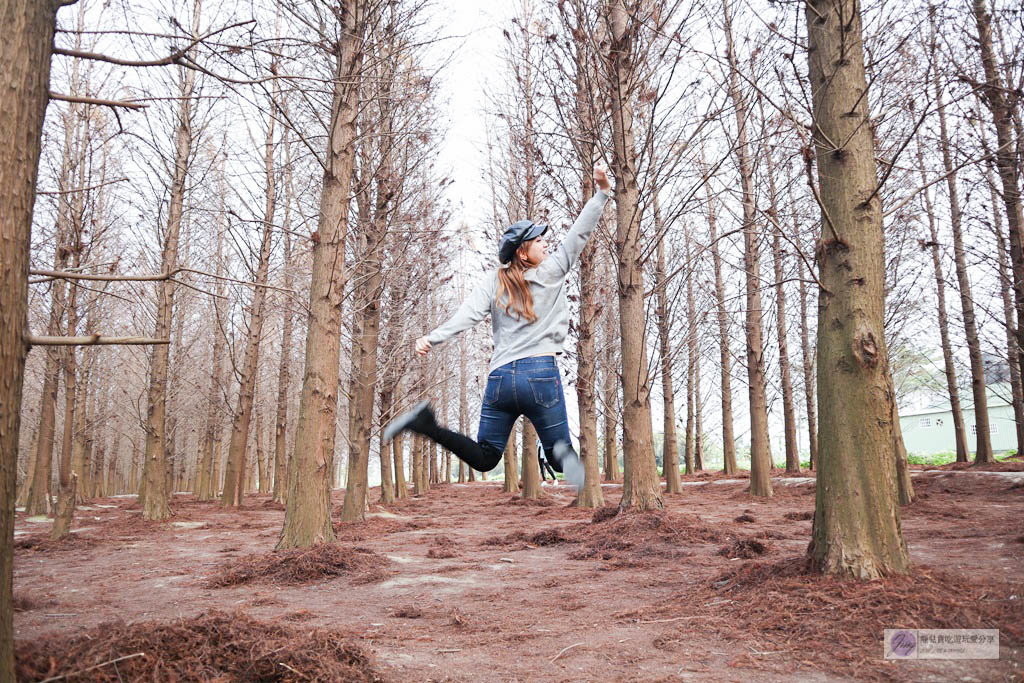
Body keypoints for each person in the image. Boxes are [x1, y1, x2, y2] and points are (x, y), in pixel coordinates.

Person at [383, 163, 613, 489]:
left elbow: (467, 315)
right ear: (523, 251)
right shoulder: (553, 270)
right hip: (540, 375)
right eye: (539, 240)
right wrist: (602, 192)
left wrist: (431, 338)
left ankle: (427, 426)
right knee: (562, 455)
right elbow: (580, 232)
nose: (546, 243)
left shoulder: (495, 281)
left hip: (501, 380)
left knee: (486, 456)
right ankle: (578, 482)